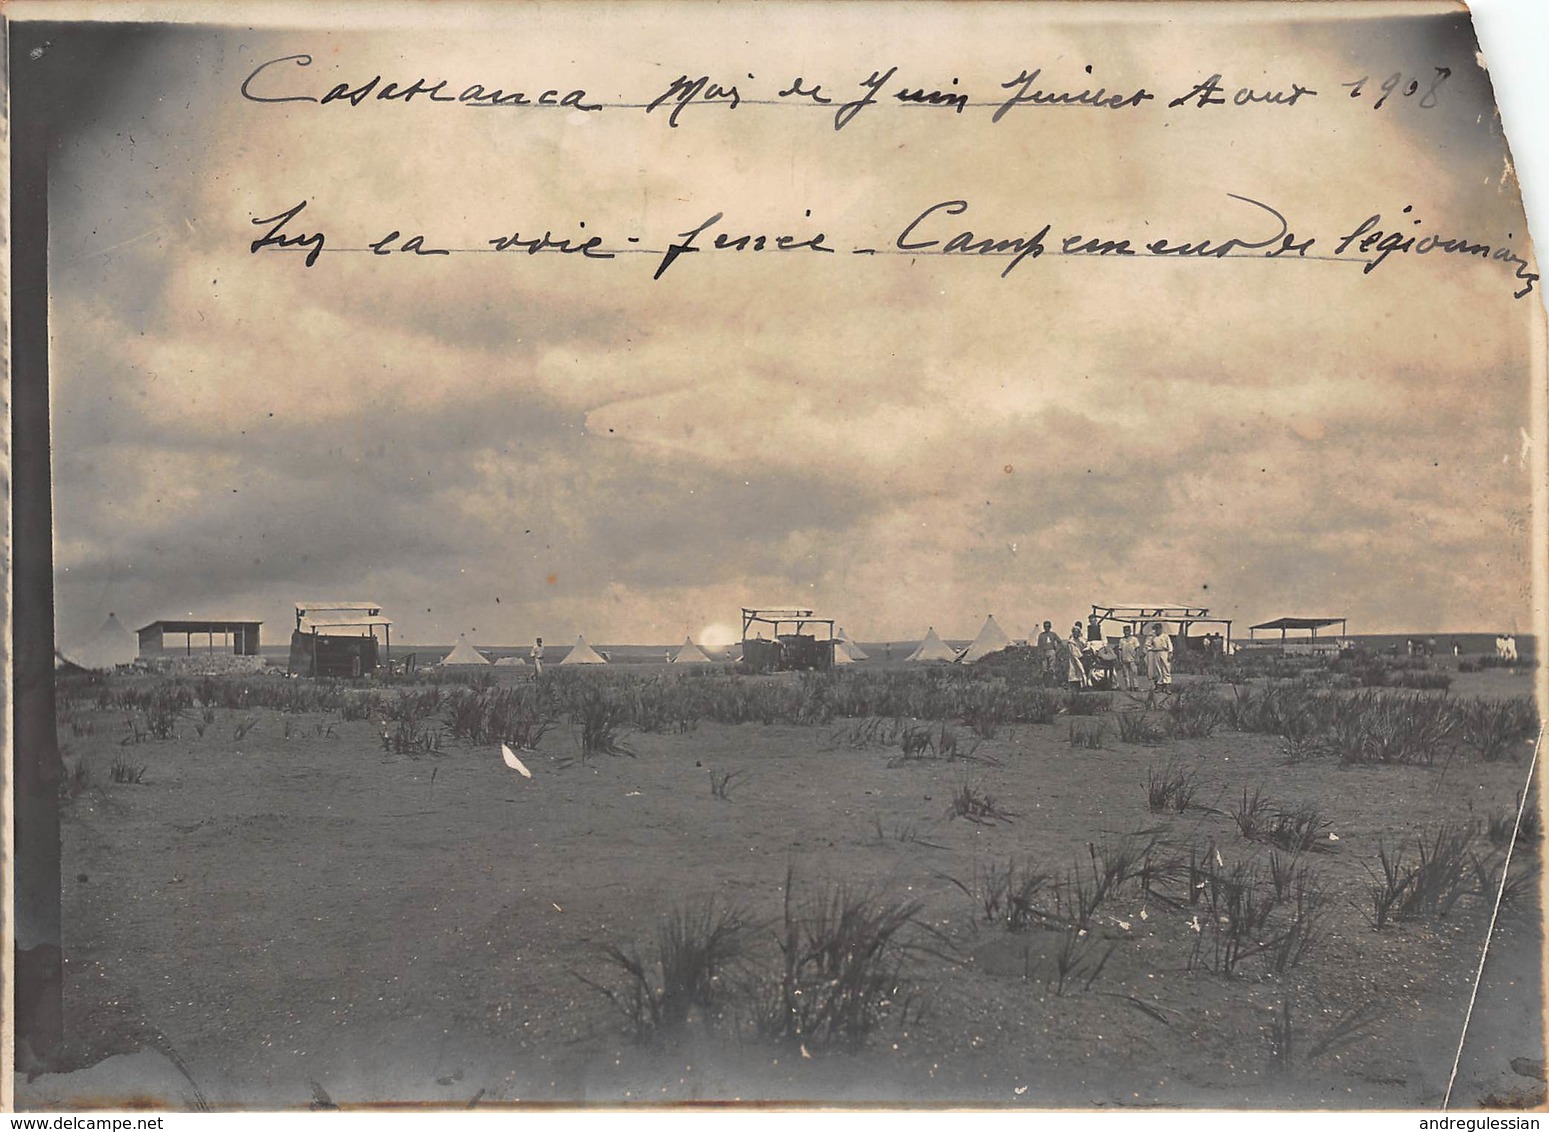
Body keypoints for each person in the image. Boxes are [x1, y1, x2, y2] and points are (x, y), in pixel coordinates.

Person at [1145, 622, 1174, 689]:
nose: (1157, 630)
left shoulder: (1165, 636)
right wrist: (1152, 648)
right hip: (1156, 653)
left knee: (1166, 668)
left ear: (1161, 629)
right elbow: (1148, 645)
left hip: (1164, 652)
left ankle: (1167, 686)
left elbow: (1170, 645)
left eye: (1158, 629)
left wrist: (1170, 653)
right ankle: (1160, 686)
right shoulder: (1153, 636)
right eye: (1156, 629)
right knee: (1158, 669)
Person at [1116, 625, 1143, 691]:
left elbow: (1137, 649)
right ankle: (1128, 687)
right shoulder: (1121, 640)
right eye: (1125, 631)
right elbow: (1120, 650)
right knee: (1126, 674)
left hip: (1132, 659)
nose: (1126, 632)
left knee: (1134, 673)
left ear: (1130, 631)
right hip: (1124, 659)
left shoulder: (1134, 639)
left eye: (1128, 631)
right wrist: (1120, 658)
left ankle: (1136, 687)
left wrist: (1137, 657)